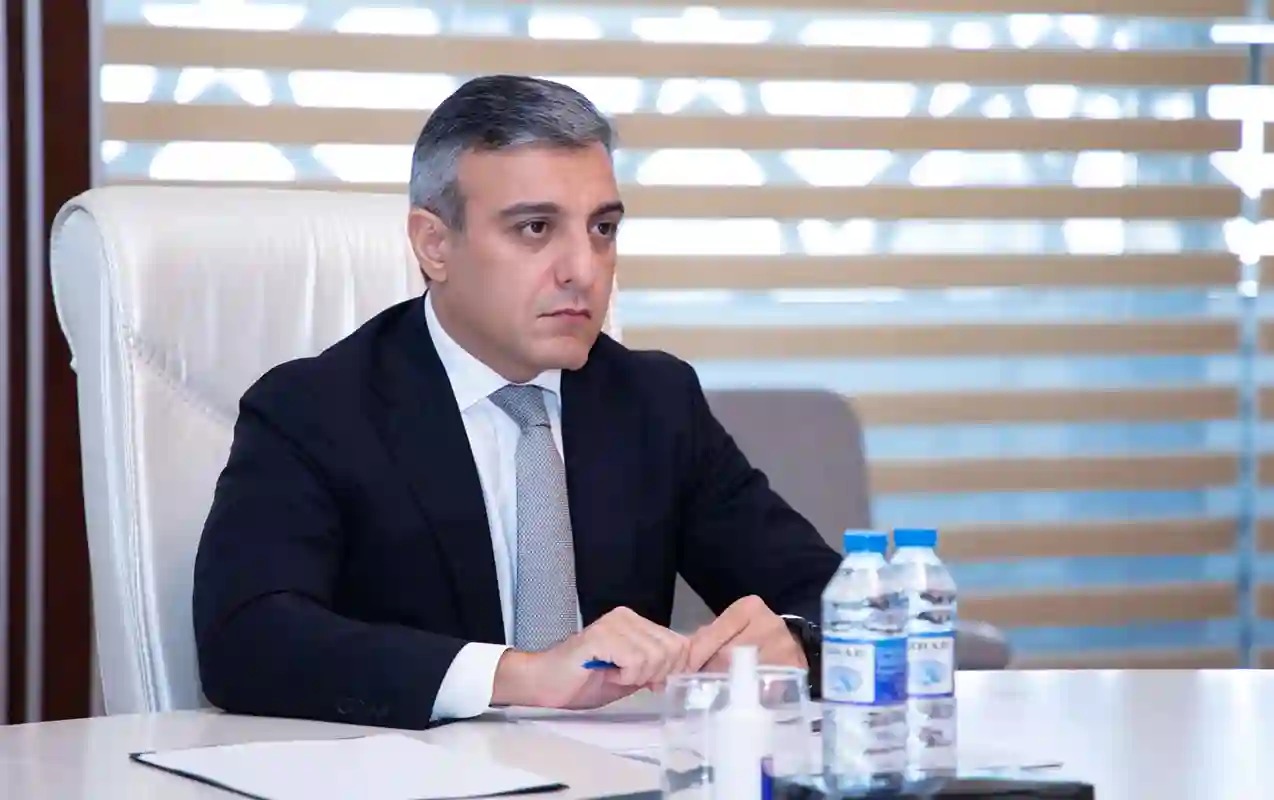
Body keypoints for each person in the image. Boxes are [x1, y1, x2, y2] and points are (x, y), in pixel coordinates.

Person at [192, 74, 842, 730]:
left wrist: (795, 640)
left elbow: (835, 596)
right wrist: (520, 676)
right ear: (434, 244)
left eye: (603, 228)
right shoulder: (315, 410)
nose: (584, 269)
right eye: (535, 228)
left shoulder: (655, 402)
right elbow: (247, 639)